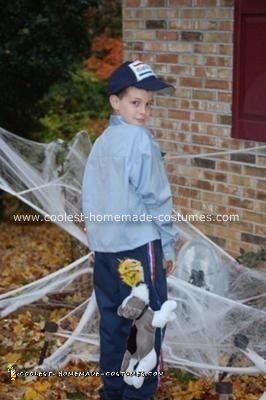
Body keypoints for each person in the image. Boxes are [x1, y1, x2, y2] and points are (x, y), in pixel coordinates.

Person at [82, 60, 178, 400]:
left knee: (114, 326)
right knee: (147, 326)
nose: (144, 111)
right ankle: (137, 395)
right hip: (139, 247)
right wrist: (167, 245)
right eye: (136, 102)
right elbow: (157, 197)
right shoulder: (139, 140)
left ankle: (113, 392)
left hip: (106, 253)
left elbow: (90, 199)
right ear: (115, 101)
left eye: (149, 104)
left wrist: (98, 241)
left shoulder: (103, 142)